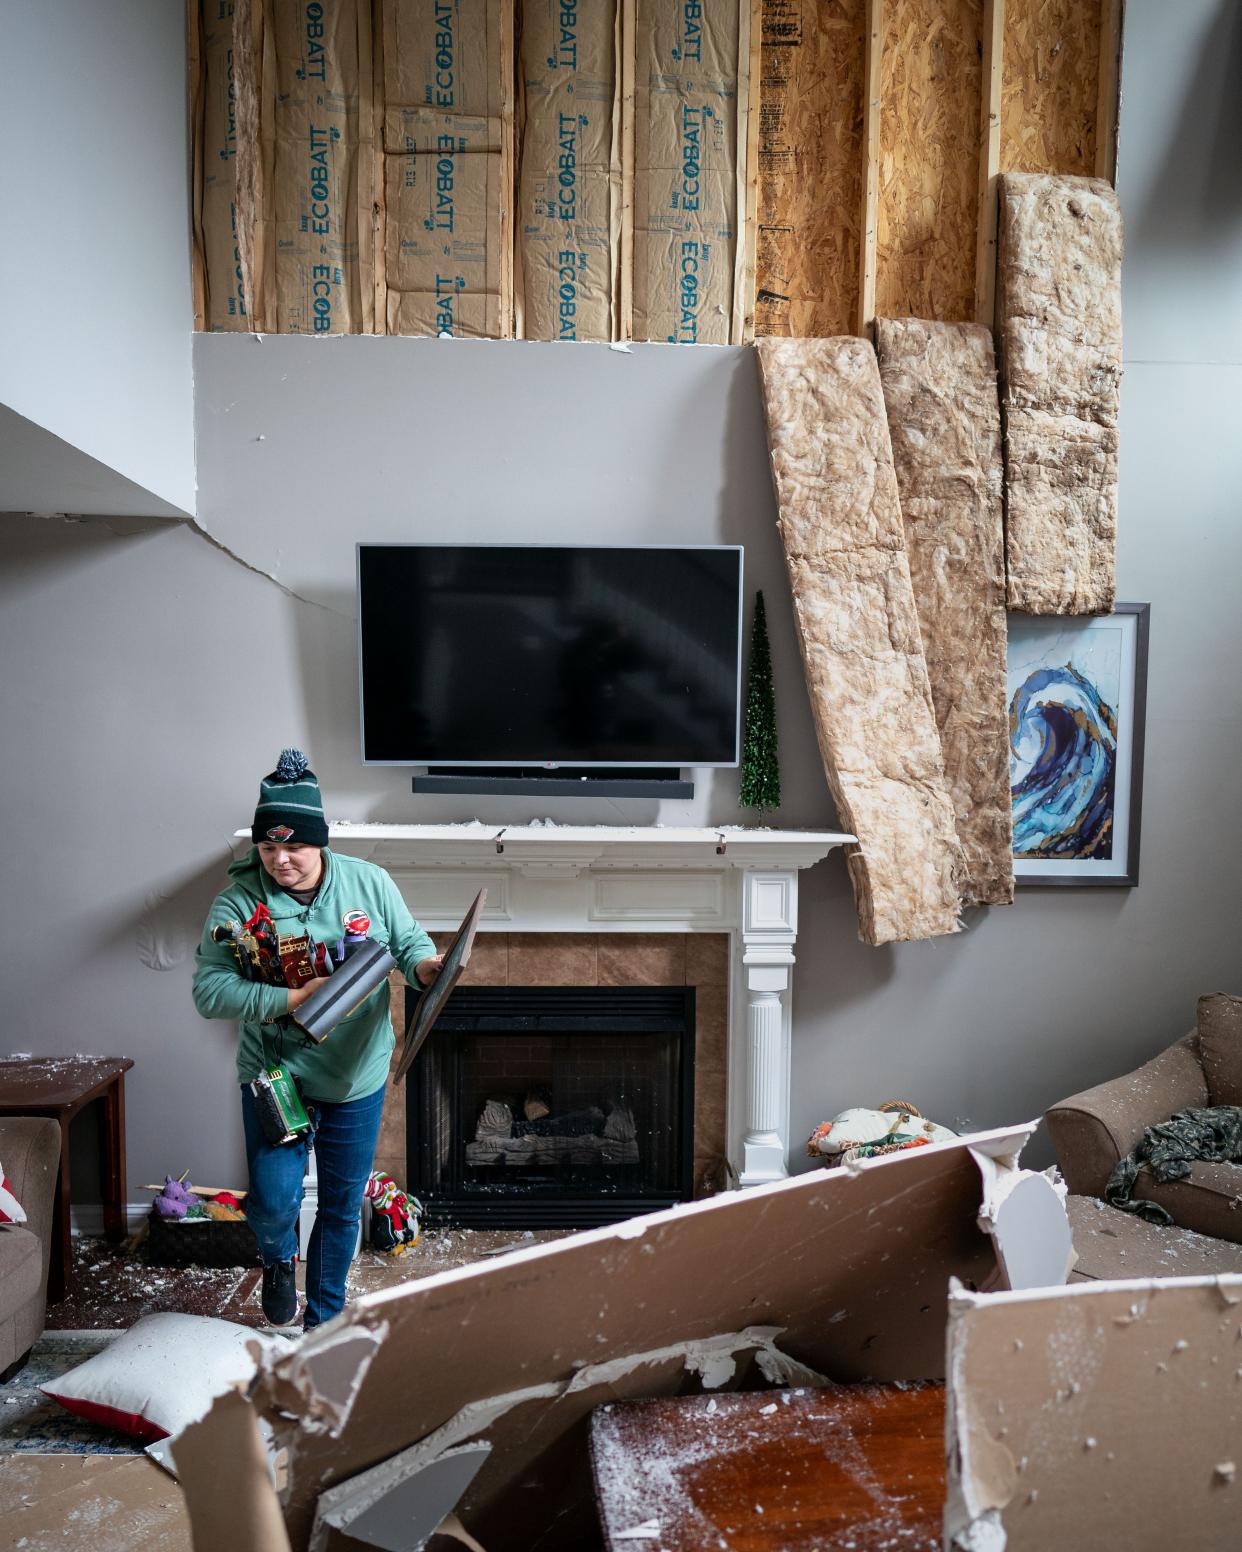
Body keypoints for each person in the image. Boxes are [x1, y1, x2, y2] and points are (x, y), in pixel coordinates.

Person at [192, 749, 441, 1329]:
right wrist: (294, 998)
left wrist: (427, 967)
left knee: (339, 1206)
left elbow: (408, 942)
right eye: (269, 847)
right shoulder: (236, 903)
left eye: (294, 847)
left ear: (320, 842)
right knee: (275, 1203)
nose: (281, 860)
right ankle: (279, 1261)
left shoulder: (369, 883)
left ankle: (322, 1322)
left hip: (355, 1078)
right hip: (275, 1076)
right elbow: (210, 992)